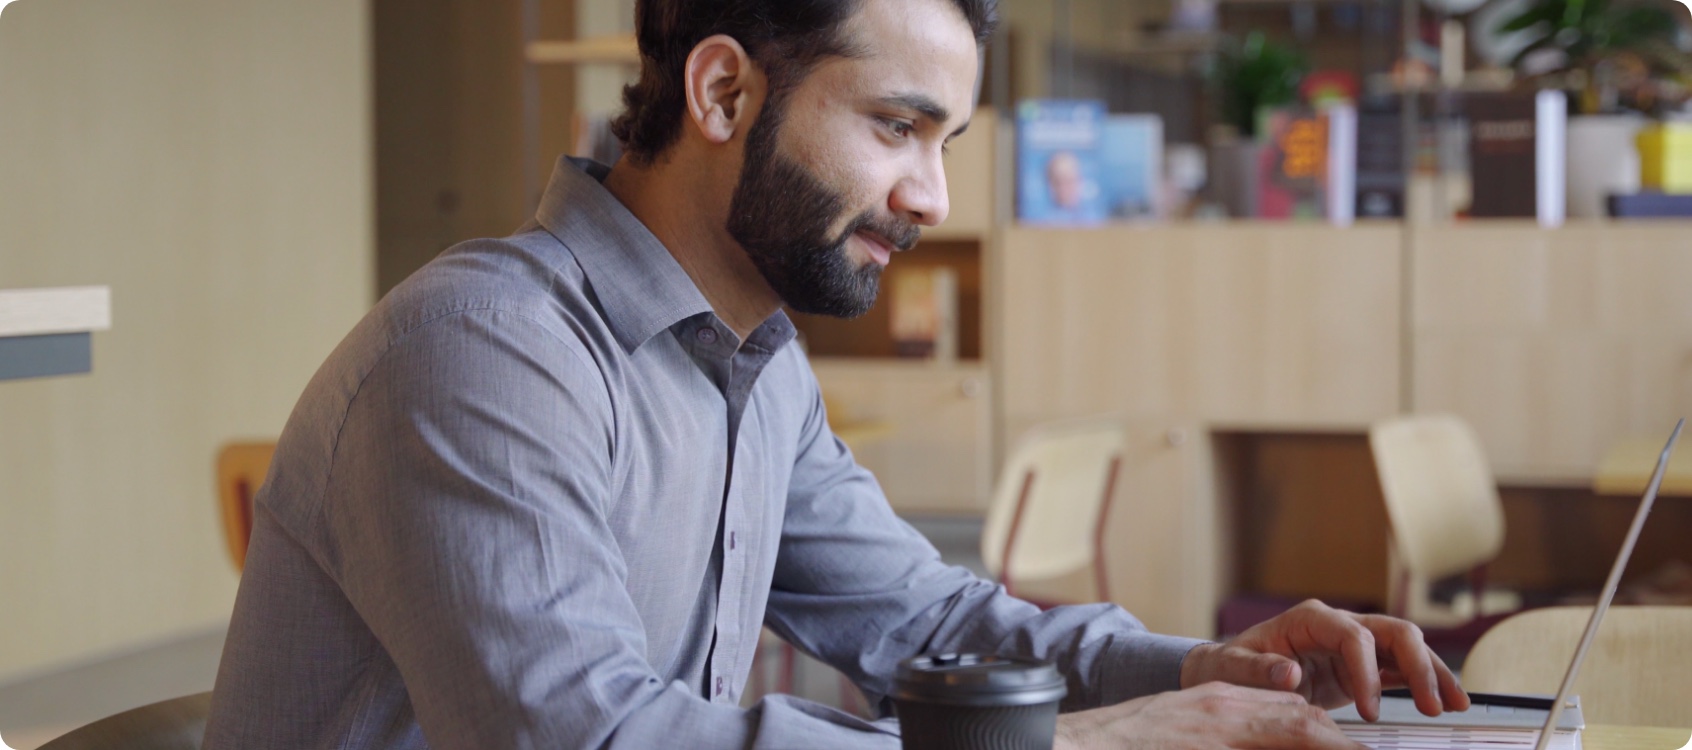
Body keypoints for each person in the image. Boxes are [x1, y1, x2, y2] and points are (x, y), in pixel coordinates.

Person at [202, 0, 1469, 747]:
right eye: (896, 126)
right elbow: (596, 742)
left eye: (948, 140)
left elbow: (925, 624)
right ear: (720, 90)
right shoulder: (481, 352)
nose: (932, 195)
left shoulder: (755, 362)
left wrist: (1202, 675)